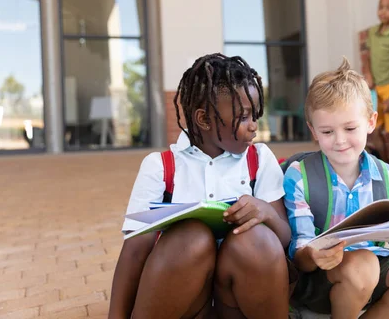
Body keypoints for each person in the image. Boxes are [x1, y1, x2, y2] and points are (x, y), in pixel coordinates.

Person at [109, 54, 292, 319]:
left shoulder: (260, 159)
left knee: (257, 239)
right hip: (185, 304)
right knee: (192, 238)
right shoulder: (160, 167)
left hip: (238, 302)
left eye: (256, 115)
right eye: (243, 117)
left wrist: (265, 212)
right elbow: (135, 252)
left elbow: (284, 237)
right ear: (204, 119)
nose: (254, 126)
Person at [284, 58, 389, 319]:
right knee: (363, 264)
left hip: (376, 273)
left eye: (350, 128)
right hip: (322, 280)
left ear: (371, 122)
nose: (340, 141)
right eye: (327, 131)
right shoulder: (300, 176)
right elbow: (299, 255)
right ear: (313, 131)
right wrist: (313, 255)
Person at [360, 0, 389, 169]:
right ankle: (383, 167)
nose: (383, 11)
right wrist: (368, 74)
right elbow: (368, 57)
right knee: (373, 129)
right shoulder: (373, 32)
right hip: (374, 88)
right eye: (381, 7)